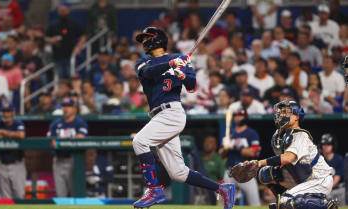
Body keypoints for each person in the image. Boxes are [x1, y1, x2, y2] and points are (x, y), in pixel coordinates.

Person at [132, 27, 235, 209]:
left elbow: (192, 86)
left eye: (146, 38)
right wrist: (171, 64)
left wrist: (182, 74)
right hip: (158, 115)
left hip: (172, 112)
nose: (143, 42)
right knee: (178, 172)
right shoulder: (144, 61)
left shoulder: (180, 59)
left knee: (139, 141)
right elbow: (147, 72)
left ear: (157, 40)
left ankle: (154, 190)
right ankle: (222, 188)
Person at [254, 100, 337, 209]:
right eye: (281, 112)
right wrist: (254, 168)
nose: (282, 114)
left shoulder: (300, 135)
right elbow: (283, 164)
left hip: (319, 178)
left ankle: (326, 206)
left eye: (286, 112)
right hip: (302, 176)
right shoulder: (279, 137)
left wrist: (259, 162)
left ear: (296, 116)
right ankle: (287, 201)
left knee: (285, 201)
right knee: (265, 174)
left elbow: (287, 158)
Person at [218, 109, 261, 206]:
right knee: (224, 203)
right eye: (237, 115)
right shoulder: (229, 134)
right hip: (230, 172)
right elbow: (221, 154)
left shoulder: (251, 133)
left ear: (245, 117)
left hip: (246, 172)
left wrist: (236, 146)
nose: (238, 117)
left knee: (255, 203)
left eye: (241, 115)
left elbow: (255, 152)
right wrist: (225, 148)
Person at [47, 97, 88, 197]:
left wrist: (60, 140)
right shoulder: (56, 123)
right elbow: (50, 140)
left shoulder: (79, 122)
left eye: (68, 106)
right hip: (58, 160)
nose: (65, 109)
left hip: (74, 160)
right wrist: (70, 138)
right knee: (60, 194)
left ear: (74, 108)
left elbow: (81, 137)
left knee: (76, 193)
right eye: (64, 106)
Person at [46, 2, 86, 79]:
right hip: (58, 56)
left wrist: (78, 47)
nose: (62, 12)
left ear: (68, 10)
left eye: (64, 10)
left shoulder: (74, 24)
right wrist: (52, 40)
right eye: (61, 10)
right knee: (59, 79)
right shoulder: (53, 25)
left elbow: (83, 36)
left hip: (71, 56)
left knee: (71, 77)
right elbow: (46, 38)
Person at [320, 133, 345, 205]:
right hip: (323, 190)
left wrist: (326, 189)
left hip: (337, 189)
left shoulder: (339, 159)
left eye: (329, 144)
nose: (326, 146)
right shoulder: (319, 159)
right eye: (324, 144)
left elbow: (337, 177)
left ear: (333, 146)